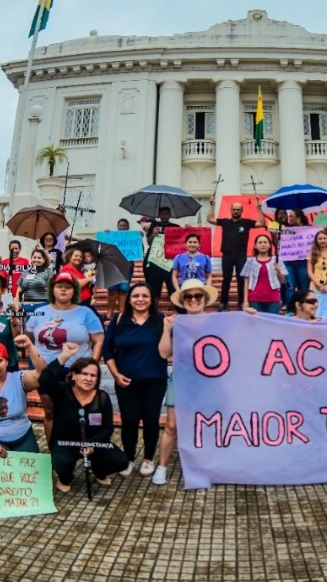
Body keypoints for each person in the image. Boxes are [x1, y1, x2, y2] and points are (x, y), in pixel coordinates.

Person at [25, 272, 105, 445]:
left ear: (74, 291)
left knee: (78, 413)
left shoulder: (86, 312)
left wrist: (91, 366)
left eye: (68, 286)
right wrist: (15, 325)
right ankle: (55, 454)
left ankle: (82, 451)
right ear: (52, 289)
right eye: (59, 286)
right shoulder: (39, 312)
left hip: (76, 371)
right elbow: (28, 340)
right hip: (46, 371)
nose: (63, 289)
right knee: (50, 412)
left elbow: (98, 341)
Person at [154, 279, 219, 485]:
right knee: (172, 425)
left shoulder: (216, 322)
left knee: (206, 424)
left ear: (205, 299)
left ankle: (204, 466)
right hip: (181, 379)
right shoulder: (176, 322)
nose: (193, 300)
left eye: (197, 296)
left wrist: (250, 316)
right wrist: (166, 329)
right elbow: (164, 352)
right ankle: (162, 466)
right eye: (188, 297)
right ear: (182, 301)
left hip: (208, 382)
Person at [39, 352, 130, 492]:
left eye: (93, 375)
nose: (88, 378)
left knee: (121, 462)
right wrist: (64, 356)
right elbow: (44, 379)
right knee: (60, 462)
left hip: (93, 443)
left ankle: (99, 470)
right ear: (74, 375)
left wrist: (91, 444)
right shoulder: (62, 391)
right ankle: (65, 478)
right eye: (84, 374)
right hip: (66, 442)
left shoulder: (102, 398)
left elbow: (107, 429)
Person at [103, 283, 167, 479]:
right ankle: (128, 458)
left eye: (145, 296)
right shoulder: (119, 319)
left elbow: (169, 348)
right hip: (125, 381)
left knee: (151, 420)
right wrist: (115, 374)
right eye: (136, 296)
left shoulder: (161, 320)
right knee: (129, 421)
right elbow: (107, 350)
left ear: (152, 299)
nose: (140, 299)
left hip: (154, 380)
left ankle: (148, 458)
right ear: (129, 299)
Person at [207, 196, 258, 311]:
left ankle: (241, 302)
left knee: (241, 279)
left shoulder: (246, 223)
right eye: (234, 209)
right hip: (227, 254)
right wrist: (211, 205)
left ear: (241, 211)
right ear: (231, 210)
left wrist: (259, 208)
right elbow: (209, 219)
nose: (236, 211)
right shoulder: (224, 222)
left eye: (238, 209)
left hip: (241, 254)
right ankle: (223, 303)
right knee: (226, 279)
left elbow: (261, 223)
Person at [240, 232, 285, 314]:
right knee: (256, 324)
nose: (262, 245)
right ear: (255, 246)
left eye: (265, 242)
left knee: (272, 324)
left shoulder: (277, 260)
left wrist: (278, 270)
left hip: (273, 298)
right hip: (255, 298)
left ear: (269, 245)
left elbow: (282, 281)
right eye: (260, 243)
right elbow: (246, 282)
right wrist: (245, 301)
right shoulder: (250, 261)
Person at [142, 207, 178, 303]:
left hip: (169, 262)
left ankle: (176, 311)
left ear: (170, 215)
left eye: (166, 214)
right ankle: (154, 311)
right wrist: (154, 233)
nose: (164, 216)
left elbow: (181, 243)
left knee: (172, 287)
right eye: (162, 214)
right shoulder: (154, 225)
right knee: (154, 288)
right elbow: (149, 242)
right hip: (154, 261)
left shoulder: (176, 227)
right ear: (159, 215)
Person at [307, 229, 327, 319]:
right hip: (315, 286)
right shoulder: (312, 254)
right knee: (314, 310)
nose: (322, 240)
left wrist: (324, 281)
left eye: (324, 238)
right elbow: (309, 271)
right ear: (316, 241)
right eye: (320, 239)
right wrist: (317, 283)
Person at [105, 219, 133, 316]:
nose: (122, 227)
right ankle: (110, 312)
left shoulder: (132, 239)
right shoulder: (111, 238)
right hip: (112, 267)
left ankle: (122, 312)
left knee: (123, 290)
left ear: (128, 227)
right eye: (121, 225)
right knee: (112, 290)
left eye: (125, 225)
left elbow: (139, 251)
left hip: (126, 267)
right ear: (117, 227)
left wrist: (139, 238)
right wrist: (105, 236)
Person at [281, 209, 311, 298]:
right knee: (289, 287)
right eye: (289, 216)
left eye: (291, 216)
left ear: (299, 218)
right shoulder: (285, 229)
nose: (289, 218)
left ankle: (304, 309)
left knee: (304, 288)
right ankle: (290, 310)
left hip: (304, 263)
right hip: (288, 263)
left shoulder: (309, 229)